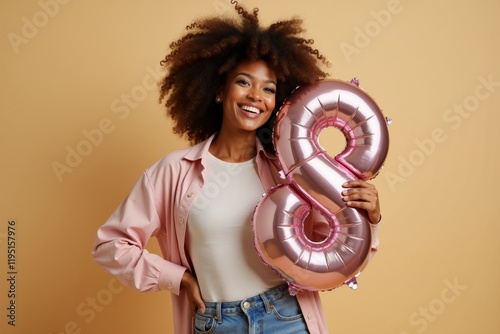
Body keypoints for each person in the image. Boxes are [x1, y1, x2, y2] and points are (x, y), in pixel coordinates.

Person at [91, 2, 382, 333]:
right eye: (244, 82)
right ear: (219, 90)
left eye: (269, 88)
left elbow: (327, 240)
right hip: (218, 322)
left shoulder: (288, 170)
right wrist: (179, 279)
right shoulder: (173, 172)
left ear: (277, 102)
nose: (256, 95)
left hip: (287, 318)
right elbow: (110, 245)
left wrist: (366, 217)